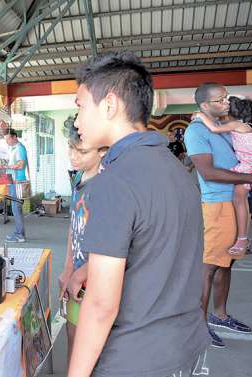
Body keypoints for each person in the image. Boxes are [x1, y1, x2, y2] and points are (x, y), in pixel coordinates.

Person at [67, 51, 208, 377]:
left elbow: (101, 306)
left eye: (80, 106)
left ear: (110, 105)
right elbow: (155, 244)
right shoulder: (176, 172)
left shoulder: (113, 183)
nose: (77, 120)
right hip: (185, 348)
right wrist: (89, 266)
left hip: (135, 359)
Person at [185, 83, 252, 349]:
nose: (226, 102)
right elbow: (209, 173)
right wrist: (249, 177)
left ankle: (220, 316)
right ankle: (199, 327)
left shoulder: (228, 124)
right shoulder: (196, 131)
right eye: (220, 99)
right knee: (209, 266)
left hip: (238, 202)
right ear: (204, 106)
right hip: (217, 205)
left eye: (226, 98)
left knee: (228, 262)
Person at [58, 124, 107, 367]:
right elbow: (74, 225)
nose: (73, 156)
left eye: (82, 151)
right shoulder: (78, 176)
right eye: (70, 148)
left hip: (98, 279)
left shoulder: (108, 182)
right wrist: (68, 267)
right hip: (77, 274)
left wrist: (83, 271)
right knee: (73, 335)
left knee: (94, 347)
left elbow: (116, 238)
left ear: (102, 151)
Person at [193, 96, 252, 257]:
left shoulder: (237, 124)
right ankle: (243, 239)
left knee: (239, 200)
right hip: (247, 164)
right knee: (242, 201)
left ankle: (242, 239)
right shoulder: (243, 126)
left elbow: (213, 128)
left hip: (247, 167)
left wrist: (200, 115)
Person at [2, 129, 28, 242]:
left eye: (8, 138)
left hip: (18, 181)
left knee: (16, 208)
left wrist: (7, 167)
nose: (7, 141)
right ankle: (19, 232)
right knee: (16, 208)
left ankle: (20, 235)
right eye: (5, 139)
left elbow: (21, 165)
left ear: (14, 137)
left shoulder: (19, 148)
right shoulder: (13, 148)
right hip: (13, 181)